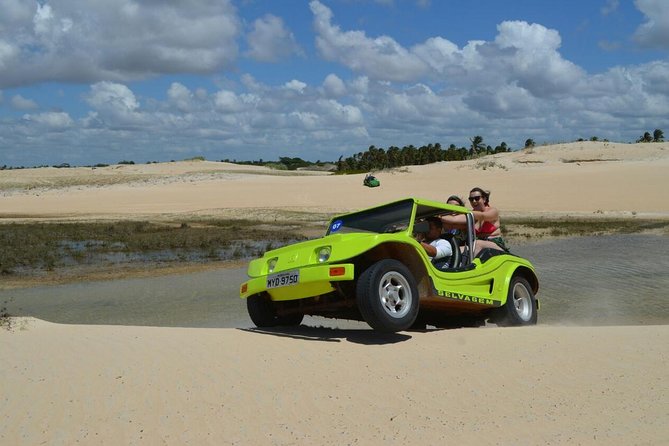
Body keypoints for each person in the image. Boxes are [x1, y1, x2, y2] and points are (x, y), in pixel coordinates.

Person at [440, 187, 509, 254]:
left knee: (477, 244)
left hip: (495, 244)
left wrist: (464, 213)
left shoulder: (492, 211)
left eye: (477, 198)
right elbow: (453, 223)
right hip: (478, 247)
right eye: (471, 199)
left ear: (484, 199)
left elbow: (482, 216)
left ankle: (450, 253)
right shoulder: (472, 215)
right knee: (462, 247)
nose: (474, 201)